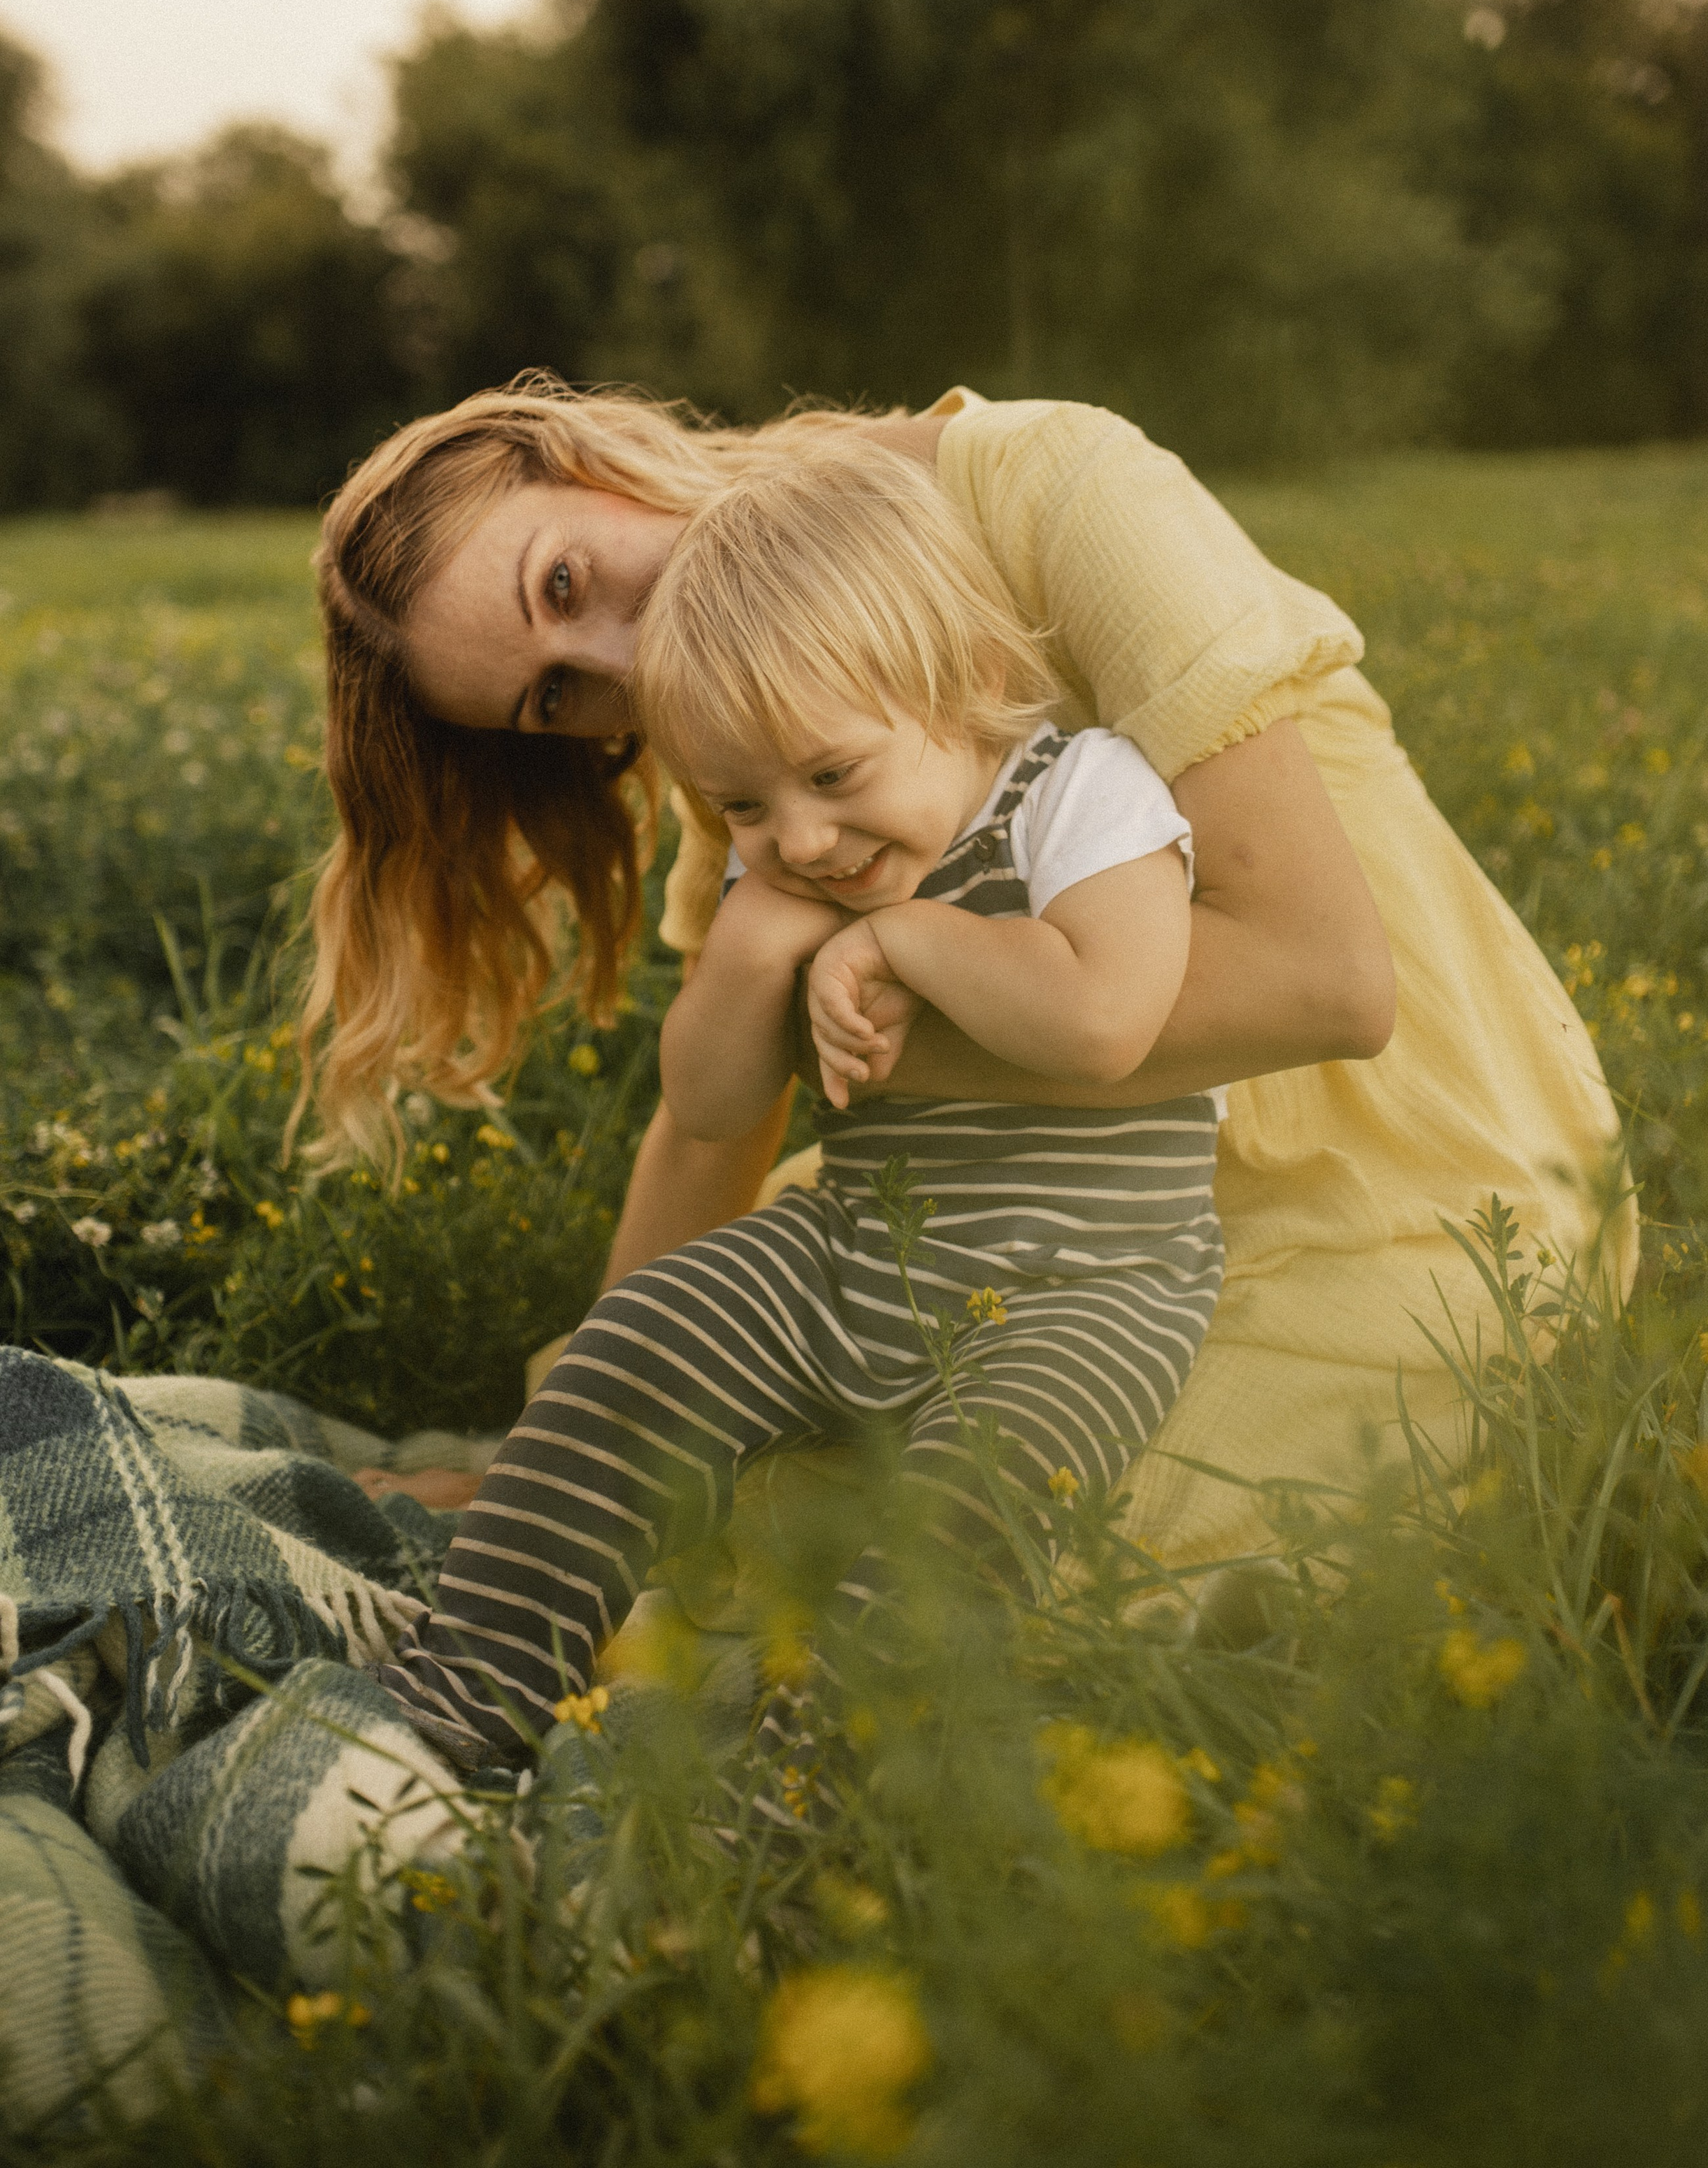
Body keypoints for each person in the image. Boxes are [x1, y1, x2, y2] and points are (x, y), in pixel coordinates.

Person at [303, 370, 1630, 1598]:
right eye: (555, 700)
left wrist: (870, 1023)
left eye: (566, 581)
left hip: (1383, 1144)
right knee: (686, 1493)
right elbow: (714, 1115)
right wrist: (568, 1453)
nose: (626, 666)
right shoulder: (731, 701)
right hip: (1009, 1185)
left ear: (594, 455)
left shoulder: (1060, 493)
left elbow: (1327, 985)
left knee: (993, 1572)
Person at [372, 442, 1229, 1760]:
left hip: (1090, 1281)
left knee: (968, 1512)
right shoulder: (790, 865)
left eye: (834, 777)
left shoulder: (1079, 791)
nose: (804, 839)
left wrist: (904, 940)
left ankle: (815, 1783)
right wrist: (757, 943)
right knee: (635, 1345)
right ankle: (463, 1692)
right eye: (744, 806)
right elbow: (712, 1103)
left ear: (967, 684)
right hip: (859, 1247)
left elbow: (1105, 1024)